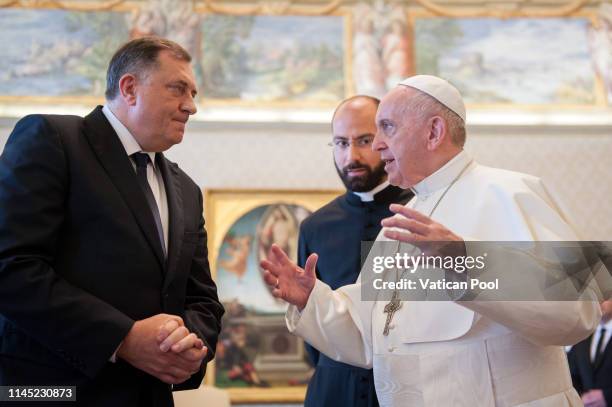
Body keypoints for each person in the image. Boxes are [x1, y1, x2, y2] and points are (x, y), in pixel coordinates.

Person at [260, 75, 601, 406]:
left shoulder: (511, 192)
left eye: (388, 127)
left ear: (434, 131)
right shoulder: (402, 219)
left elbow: (579, 310)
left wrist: (462, 258)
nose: (378, 144)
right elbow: (371, 338)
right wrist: (312, 300)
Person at [0, 37, 224, 406]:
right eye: (177, 89)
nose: (192, 106)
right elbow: (12, 266)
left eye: (194, 93)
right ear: (130, 88)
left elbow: (201, 298)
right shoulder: (53, 140)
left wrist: (190, 346)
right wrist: (122, 338)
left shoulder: (187, 189)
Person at [299, 95, 412, 407]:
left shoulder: (422, 211)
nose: (351, 156)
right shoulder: (315, 226)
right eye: (340, 143)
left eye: (364, 140)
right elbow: (312, 326)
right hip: (332, 390)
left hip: (406, 387)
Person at [568, 300, 612, 407]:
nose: (599, 301)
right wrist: (579, 396)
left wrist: (608, 397)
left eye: (605, 296)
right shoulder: (582, 335)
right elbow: (571, 373)